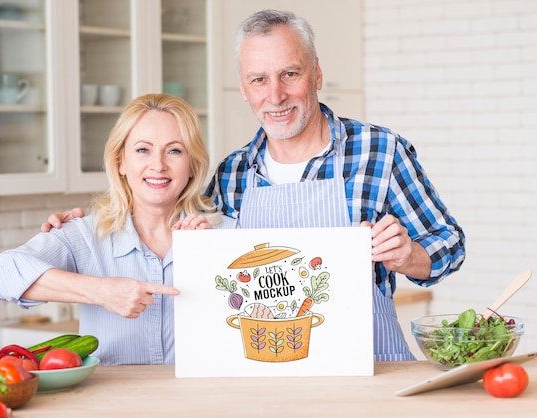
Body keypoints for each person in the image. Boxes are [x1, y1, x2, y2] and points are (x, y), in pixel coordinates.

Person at [43, 10, 466, 362]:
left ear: (316, 74)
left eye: (290, 74)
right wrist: (81, 223)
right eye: (258, 79)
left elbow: (450, 245)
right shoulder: (231, 175)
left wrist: (408, 255)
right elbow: (178, 238)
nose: (275, 95)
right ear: (244, 89)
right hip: (268, 378)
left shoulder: (380, 151)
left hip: (372, 374)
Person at [0, 93, 234, 366]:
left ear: (192, 165)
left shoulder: (224, 234)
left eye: (174, 150)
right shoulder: (85, 235)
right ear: (121, 162)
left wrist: (216, 258)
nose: (158, 165)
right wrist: (102, 291)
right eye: (142, 150)